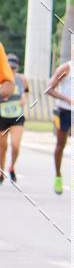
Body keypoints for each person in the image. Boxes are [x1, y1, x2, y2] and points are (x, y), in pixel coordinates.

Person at [0, 53, 28, 183]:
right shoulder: (2, 78)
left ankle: (11, 167)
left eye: (14, 68)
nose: (11, 70)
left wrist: (24, 98)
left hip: (17, 116)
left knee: (15, 145)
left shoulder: (22, 79)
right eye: (9, 67)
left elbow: (26, 92)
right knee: (2, 147)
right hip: (2, 116)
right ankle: (1, 171)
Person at [46, 61, 72, 194]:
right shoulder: (66, 68)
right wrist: (67, 99)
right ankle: (58, 176)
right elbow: (49, 89)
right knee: (60, 145)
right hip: (63, 111)